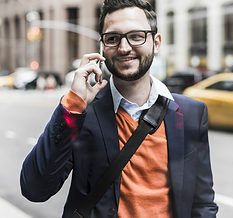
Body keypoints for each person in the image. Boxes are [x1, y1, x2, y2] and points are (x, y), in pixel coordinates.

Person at [20, 0, 218, 217]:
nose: (124, 48)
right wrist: (73, 104)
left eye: (136, 36)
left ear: (157, 42)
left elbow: (202, 203)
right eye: (113, 38)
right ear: (102, 46)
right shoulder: (80, 113)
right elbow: (34, 189)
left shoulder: (191, 113)